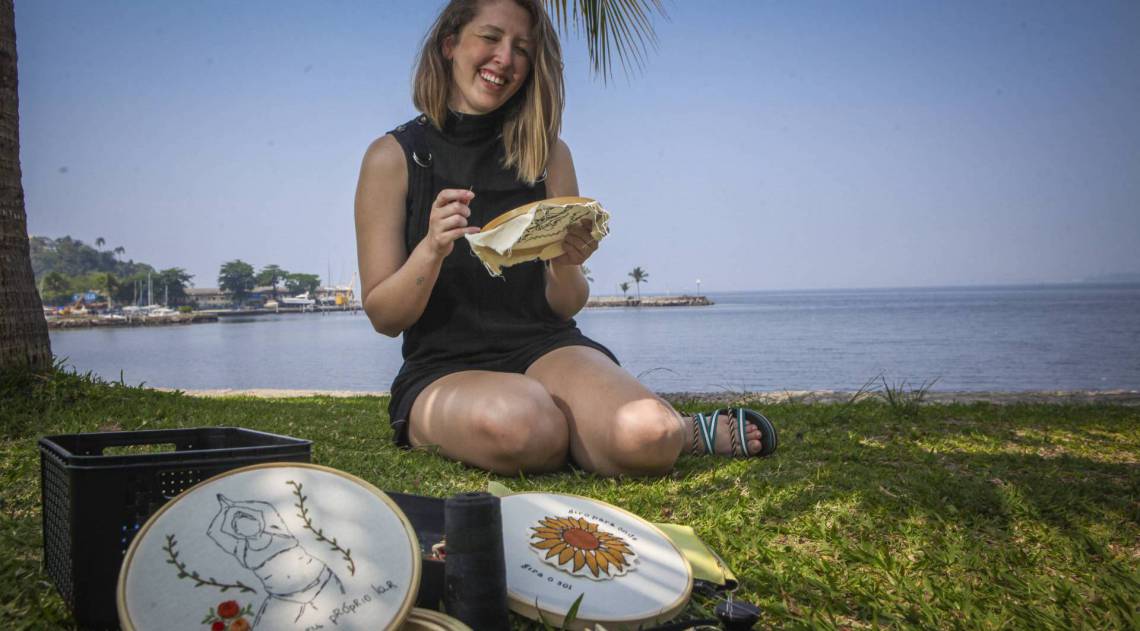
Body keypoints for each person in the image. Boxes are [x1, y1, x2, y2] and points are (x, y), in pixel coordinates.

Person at [354, 0, 776, 476]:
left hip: (547, 347)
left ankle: (680, 429)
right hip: (443, 368)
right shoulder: (393, 158)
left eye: (522, 49)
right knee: (526, 426)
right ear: (449, 44)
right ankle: (573, 432)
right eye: (490, 38)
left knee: (650, 434)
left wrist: (566, 261)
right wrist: (430, 250)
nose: (505, 59)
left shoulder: (549, 155)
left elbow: (566, 304)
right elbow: (385, 317)